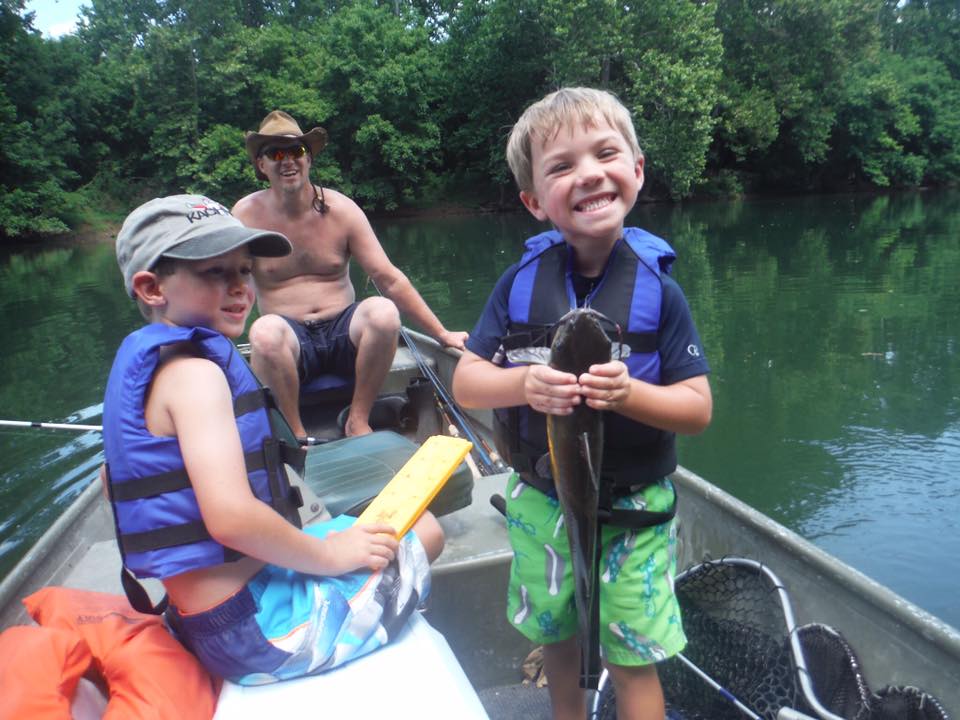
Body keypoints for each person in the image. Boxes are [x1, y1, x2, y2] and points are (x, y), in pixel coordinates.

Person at [102, 194, 444, 685]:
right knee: (425, 531)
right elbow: (231, 519)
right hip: (255, 630)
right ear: (152, 287)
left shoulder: (150, 367)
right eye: (215, 273)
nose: (240, 286)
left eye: (244, 270)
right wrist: (330, 556)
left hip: (209, 608)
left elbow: (111, 483)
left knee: (374, 527)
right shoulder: (196, 377)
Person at [451, 88, 712, 720]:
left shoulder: (662, 293)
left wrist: (630, 393)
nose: (589, 173)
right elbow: (466, 383)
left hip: (634, 509)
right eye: (562, 166)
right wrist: (522, 385)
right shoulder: (517, 285)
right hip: (542, 501)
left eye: (605, 153)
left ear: (637, 169)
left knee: (631, 656)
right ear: (534, 201)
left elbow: (697, 408)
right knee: (557, 637)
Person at [233, 110, 469, 440]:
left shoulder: (342, 210)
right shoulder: (243, 217)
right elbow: (228, 287)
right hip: (290, 343)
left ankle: (358, 419)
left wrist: (442, 333)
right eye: (276, 153)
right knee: (264, 334)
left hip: (344, 334)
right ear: (262, 165)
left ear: (309, 158)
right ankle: (297, 434)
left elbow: (388, 278)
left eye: (296, 151)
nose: (288, 161)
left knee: (384, 314)